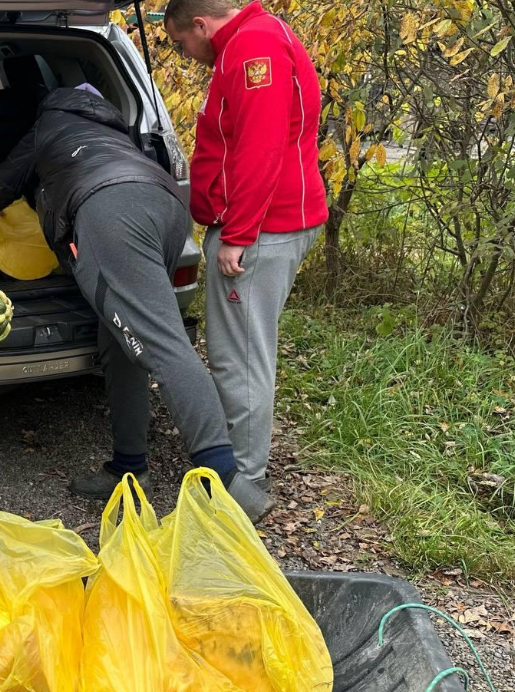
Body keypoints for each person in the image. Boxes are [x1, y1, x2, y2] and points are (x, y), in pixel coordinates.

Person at [0, 83, 271, 520]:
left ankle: (224, 479)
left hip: (109, 211)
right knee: (120, 339)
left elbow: (4, 181)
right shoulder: (115, 129)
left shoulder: (48, 123)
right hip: (166, 207)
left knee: (160, 342)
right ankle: (130, 469)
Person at [165, 0, 327, 499]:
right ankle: (237, 465)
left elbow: (262, 145)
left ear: (200, 24)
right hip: (259, 224)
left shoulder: (254, 47)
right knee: (238, 353)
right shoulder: (246, 42)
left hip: (264, 229)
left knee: (241, 360)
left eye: (179, 43)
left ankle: (243, 485)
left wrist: (238, 234)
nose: (184, 53)